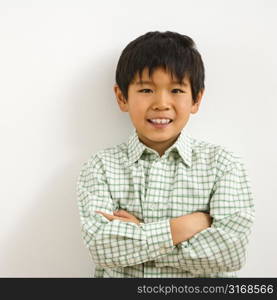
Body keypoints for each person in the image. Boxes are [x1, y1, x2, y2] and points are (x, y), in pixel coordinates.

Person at [76, 31, 255, 278]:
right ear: (121, 97)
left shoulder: (222, 165)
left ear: (196, 99)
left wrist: (141, 234)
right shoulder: (101, 167)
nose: (161, 102)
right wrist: (184, 226)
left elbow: (230, 253)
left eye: (177, 90)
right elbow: (102, 247)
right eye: (147, 90)